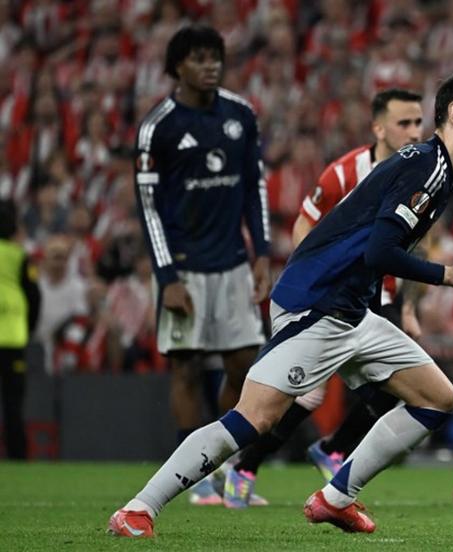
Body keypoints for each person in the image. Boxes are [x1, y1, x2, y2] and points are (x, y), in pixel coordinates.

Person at [108, 72, 453, 537]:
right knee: (254, 417)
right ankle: (139, 508)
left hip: (350, 308)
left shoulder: (433, 166)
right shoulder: (428, 166)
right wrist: (447, 275)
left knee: (437, 399)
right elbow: (379, 251)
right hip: (318, 304)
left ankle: (336, 499)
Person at [222, 88, 426, 508]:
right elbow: (304, 227)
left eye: (418, 122)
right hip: (333, 295)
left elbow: (417, 243)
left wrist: (408, 305)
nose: (413, 131)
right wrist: (321, 279)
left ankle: (332, 449)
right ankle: (244, 467)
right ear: (378, 127)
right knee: (304, 394)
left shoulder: (423, 171)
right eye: (404, 123)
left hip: (381, 294)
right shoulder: (343, 173)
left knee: (401, 385)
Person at [132, 26, 271, 504]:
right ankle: (195, 481)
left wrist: (263, 253)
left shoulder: (240, 114)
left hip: (234, 263)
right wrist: (167, 276)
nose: (210, 66)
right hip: (185, 268)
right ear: (177, 67)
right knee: (186, 372)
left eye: (215, 58)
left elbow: (256, 188)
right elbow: (148, 207)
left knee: (244, 369)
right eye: (198, 58)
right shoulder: (159, 126)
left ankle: (229, 470)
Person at [0, 199, 40, 459]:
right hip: (13, 337)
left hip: (13, 335)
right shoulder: (20, 256)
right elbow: (34, 295)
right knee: (13, 404)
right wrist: (29, 328)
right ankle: (18, 456)